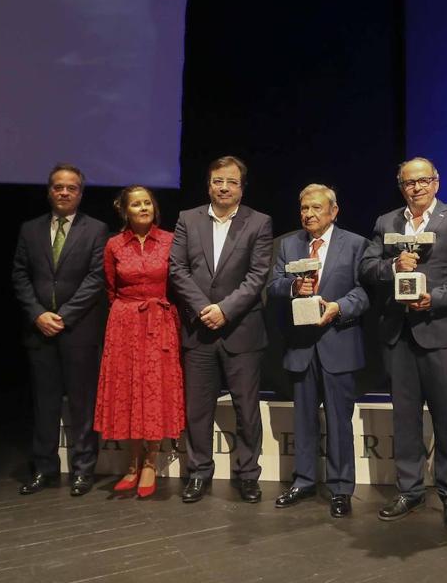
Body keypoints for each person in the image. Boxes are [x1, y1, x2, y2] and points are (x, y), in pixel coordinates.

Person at [360, 157, 447, 531]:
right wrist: (393, 267)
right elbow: (367, 267)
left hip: (442, 331)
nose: (417, 188)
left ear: (436, 183)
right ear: (401, 187)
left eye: (424, 181)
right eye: (409, 183)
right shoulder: (386, 222)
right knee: (405, 417)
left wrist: (436, 298)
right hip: (398, 334)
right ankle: (410, 490)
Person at [169, 155, 273, 504]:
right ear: (208, 184)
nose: (224, 187)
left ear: (242, 186)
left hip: (241, 330)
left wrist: (225, 311)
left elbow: (258, 275)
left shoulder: (259, 223)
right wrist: (203, 309)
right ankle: (198, 473)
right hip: (199, 331)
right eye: (217, 181)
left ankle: (247, 474)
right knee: (198, 409)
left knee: (246, 408)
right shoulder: (188, 219)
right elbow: (177, 269)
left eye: (231, 181)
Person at [266, 184, 370, 518]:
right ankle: (304, 480)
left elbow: (365, 292)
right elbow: (273, 286)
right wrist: (294, 286)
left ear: (334, 211)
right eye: (304, 208)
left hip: (338, 343)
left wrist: (339, 307)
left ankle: (341, 488)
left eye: (316, 208)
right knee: (303, 419)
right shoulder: (288, 244)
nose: (309, 214)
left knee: (340, 421)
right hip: (300, 346)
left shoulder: (356, 245)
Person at [12, 164, 108, 496]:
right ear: (49, 191)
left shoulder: (96, 230)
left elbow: (97, 278)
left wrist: (63, 316)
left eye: (71, 188)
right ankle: (45, 469)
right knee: (45, 403)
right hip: (39, 331)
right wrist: (39, 314)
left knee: (83, 403)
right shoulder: (30, 229)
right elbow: (20, 276)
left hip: (78, 330)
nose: (64, 192)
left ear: (80, 193)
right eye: (58, 187)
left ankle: (83, 470)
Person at [94, 186, 185, 498]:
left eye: (148, 202)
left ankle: (150, 462)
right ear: (126, 211)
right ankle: (131, 464)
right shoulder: (114, 245)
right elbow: (109, 286)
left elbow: (179, 282)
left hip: (159, 320)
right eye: (136, 204)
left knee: (155, 389)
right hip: (124, 322)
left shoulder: (171, 241)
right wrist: (126, 312)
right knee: (129, 390)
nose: (143, 207)